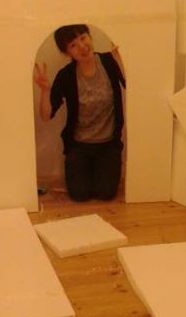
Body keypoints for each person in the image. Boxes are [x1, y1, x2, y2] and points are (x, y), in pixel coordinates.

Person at [34, 24, 125, 201]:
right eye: (73, 45)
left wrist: (121, 60)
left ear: (90, 37)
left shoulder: (109, 61)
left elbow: (133, 87)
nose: (82, 46)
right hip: (79, 147)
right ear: (67, 52)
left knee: (106, 193)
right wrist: (45, 91)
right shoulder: (66, 75)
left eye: (83, 38)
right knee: (79, 194)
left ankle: (99, 171)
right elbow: (46, 116)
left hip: (109, 145)